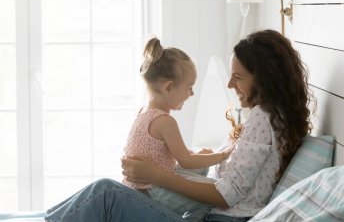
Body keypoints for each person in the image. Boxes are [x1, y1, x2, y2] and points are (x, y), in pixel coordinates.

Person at [44, 29, 314, 222]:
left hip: (222, 218)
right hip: (216, 214)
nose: (231, 85)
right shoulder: (274, 117)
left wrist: (160, 176)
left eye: (238, 77)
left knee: (104, 192)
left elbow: (227, 195)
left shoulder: (261, 118)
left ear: (264, 79)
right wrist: (210, 159)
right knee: (102, 197)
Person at [122, 36, 231, 221]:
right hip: (151, 190)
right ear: (169, 87)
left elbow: (163, 154)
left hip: (143, 185)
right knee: (206, 200)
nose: (192, 93)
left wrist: (202, 155)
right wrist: (222, 156)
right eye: (189, 87)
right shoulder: (164, 121)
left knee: (203, 169)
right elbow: (187, 161)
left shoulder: (144, 112)